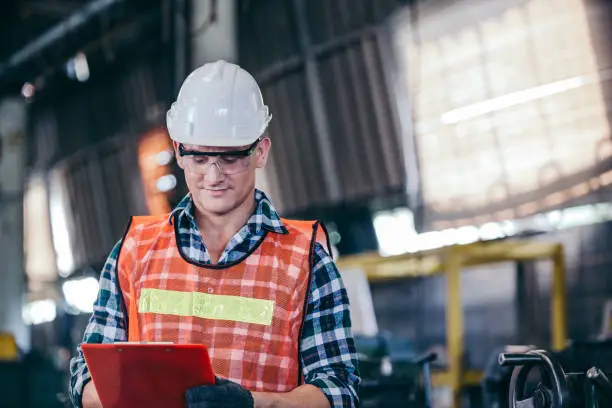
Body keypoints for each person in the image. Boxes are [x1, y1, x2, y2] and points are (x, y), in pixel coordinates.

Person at [69, 60, 360, 408]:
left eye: (230, 157)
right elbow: (85, 378)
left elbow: (339, 389)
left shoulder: (307, 261)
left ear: (260, 152)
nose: (214, 174)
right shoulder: (133, 252)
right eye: (199, 157)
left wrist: (254, 404)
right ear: (179, 152)